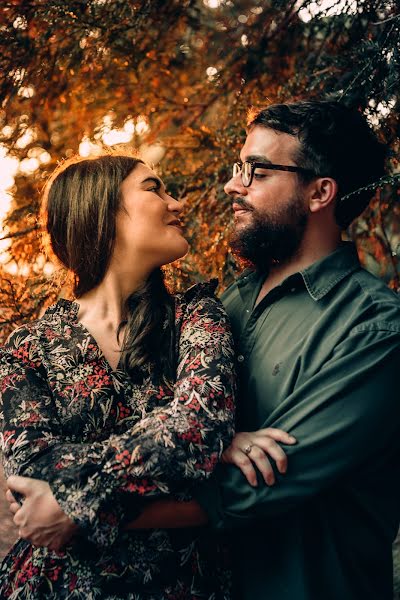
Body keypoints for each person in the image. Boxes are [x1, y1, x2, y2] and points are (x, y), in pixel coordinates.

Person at [7, 99, 400, 599]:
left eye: (256, 171)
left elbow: (262, 481)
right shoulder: (230, 300)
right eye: (239, 168)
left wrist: (75, 507)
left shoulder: (373, 328)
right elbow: (176, 421)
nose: (232, 185)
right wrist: (219, 444)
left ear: (320, 192)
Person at [0, 152, 296, 599]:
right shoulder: (25, 351)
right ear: (97, 209)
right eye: (154, 188)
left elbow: (197, 430)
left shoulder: (196, 315)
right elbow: (32, 485)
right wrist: (193, 446)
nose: (177, 204)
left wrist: (74, 500)